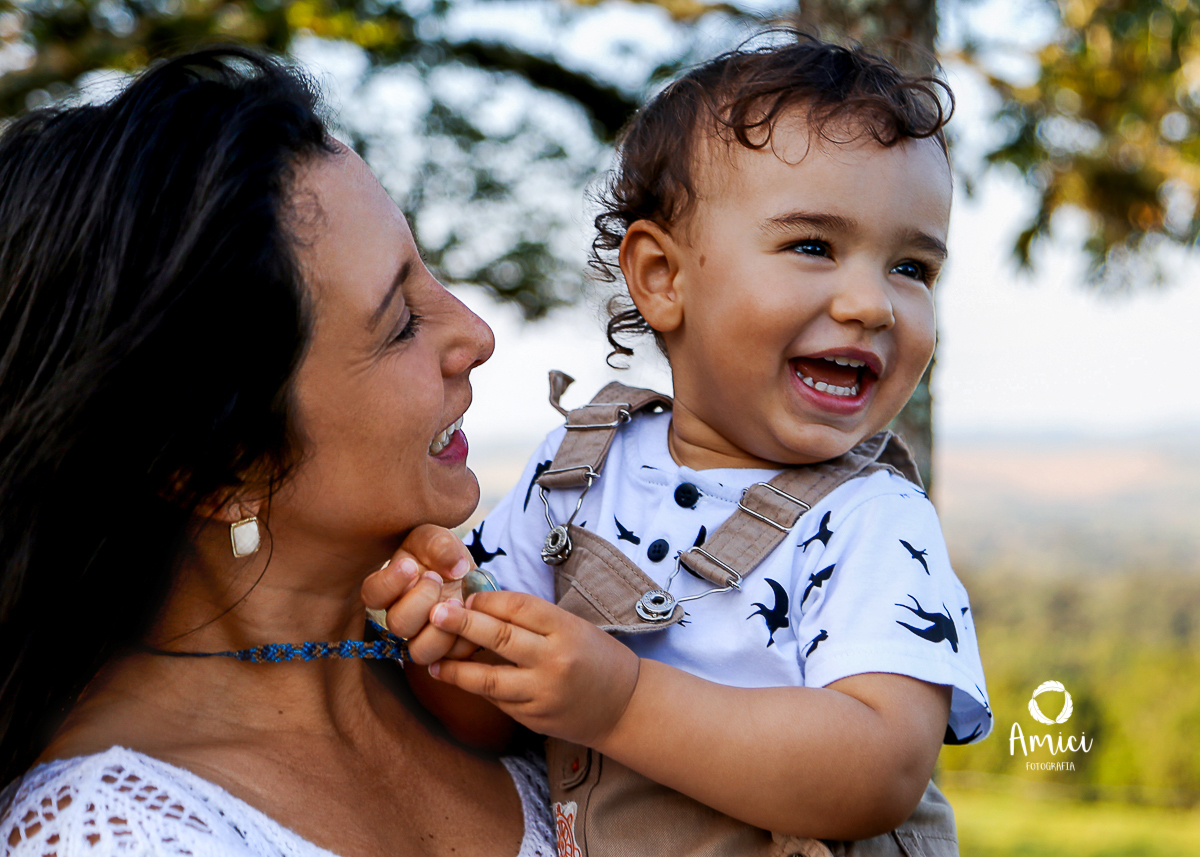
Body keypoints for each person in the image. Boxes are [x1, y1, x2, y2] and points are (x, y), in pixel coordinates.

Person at [366, 35, 992, 855]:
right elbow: (495, 717)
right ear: (662, 277)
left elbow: (878, 770)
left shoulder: (873, 519)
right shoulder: (575, 469)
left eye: (912, 267)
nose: (872, 303)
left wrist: (621, 703)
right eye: (813, 246)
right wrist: (450, 639)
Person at [0, 47, 555, 856]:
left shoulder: (485, 683)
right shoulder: (115, 834)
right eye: (400, 321)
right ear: (218, 465)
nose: (475, 333)